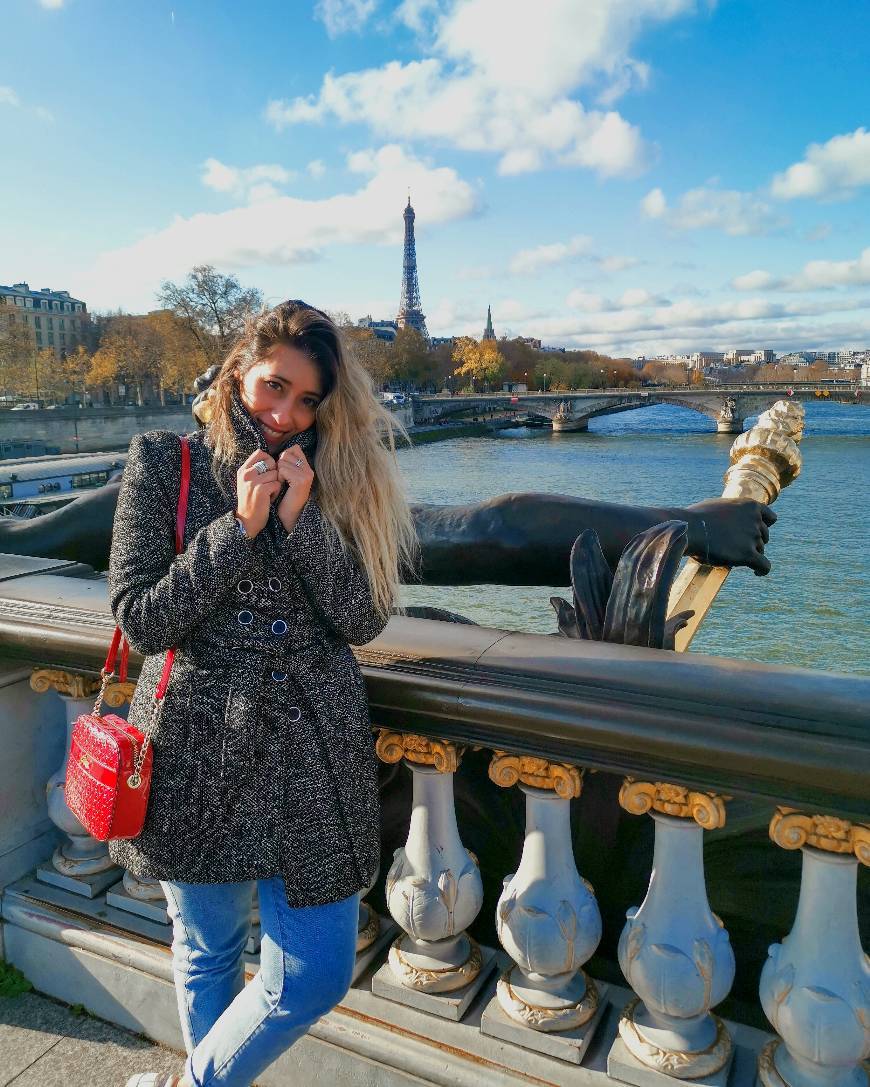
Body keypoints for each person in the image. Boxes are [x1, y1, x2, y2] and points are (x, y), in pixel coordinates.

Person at [112, 300, 417, 1087]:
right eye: (273, 387)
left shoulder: (339, 477)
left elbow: (362, 617)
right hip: (196, 746)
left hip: (312, 751)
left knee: (313, 973)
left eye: (306, 399)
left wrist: (299, 517)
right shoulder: (162, 462)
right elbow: (142, 618)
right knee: (208, 949)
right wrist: (236, 529)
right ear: (238, 371)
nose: (285, 414)